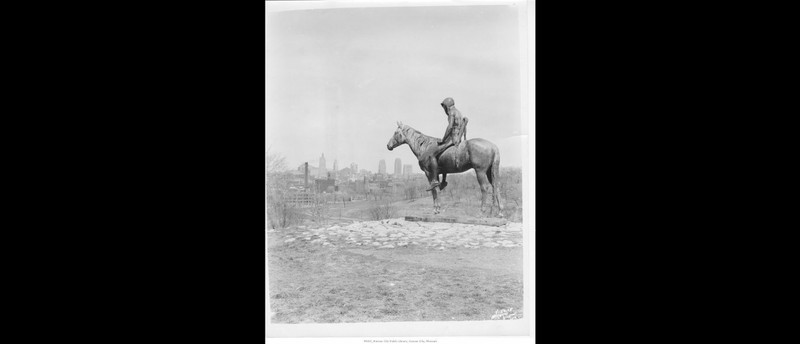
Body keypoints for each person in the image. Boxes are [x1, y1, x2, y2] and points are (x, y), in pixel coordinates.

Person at [423, 97, 469, 191]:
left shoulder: (452, 112)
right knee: (442, 156)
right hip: (457, 138)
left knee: (432, 155)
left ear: (447, 106)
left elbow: (450, 127)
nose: (444, 109)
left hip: (452, 139)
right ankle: (443, 181)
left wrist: (443, 139)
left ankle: (435, 180)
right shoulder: (458, 112)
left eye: (444, 107)